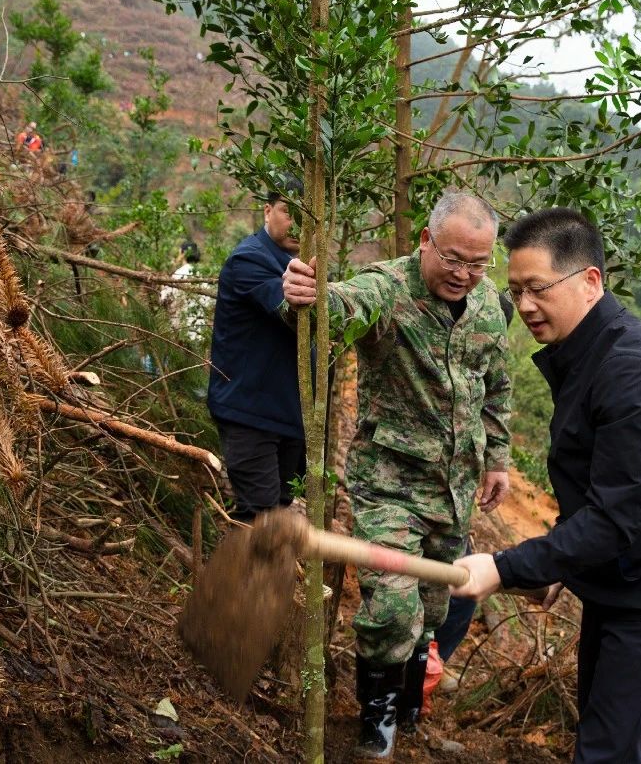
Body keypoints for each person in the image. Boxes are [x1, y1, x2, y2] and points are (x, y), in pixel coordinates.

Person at [451, 208, 641, 764]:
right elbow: (596, 487)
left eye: (537, 288)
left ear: (590, 281)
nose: (524, 306)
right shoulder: (588, 356)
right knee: (601, 743)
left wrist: (505, 567)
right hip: (619, 583)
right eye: (515, 290)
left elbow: (614, 518)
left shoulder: (635, 377)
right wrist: (561, 562)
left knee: (608, 754)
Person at [282, 189, 512, 758]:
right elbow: (342, 305)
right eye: (453, 258)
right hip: (389, 483)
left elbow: (496, 387)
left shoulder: (488, 307)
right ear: (425, 241)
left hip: (454, 491)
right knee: (390, 604)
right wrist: (307, 297)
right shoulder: (389, 287)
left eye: (478, 264)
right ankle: (376, 715)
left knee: (434, 607)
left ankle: (407, 700)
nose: (464, 273)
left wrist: (498, 459)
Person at [206, 183, 304, 522]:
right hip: (249, 413)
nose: (299, 225)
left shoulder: (298, 263)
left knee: (277, 510)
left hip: (287, 415)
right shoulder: (249, 259)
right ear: (267, 210)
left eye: (309, 216)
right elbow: (287, 306)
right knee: (259, 518)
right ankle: (234, 575)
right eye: (290, 213)